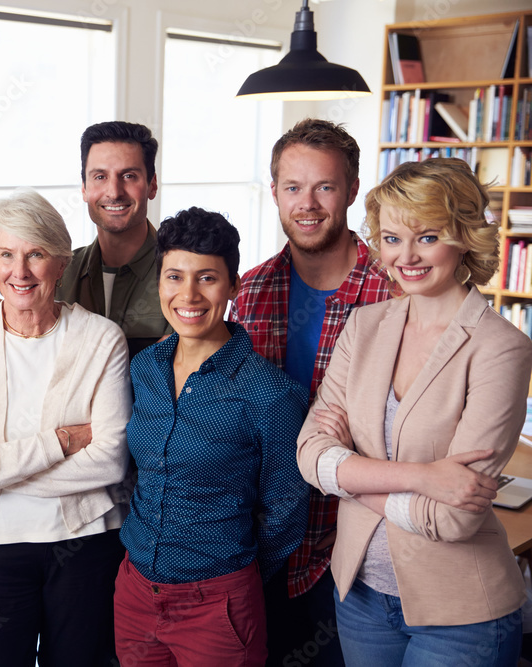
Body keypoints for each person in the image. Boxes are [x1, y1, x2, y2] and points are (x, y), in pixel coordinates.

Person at [297, 158, 531, 666]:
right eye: (392, 237)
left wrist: (349, 476)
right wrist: (424, 477)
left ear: (465, 236)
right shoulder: (363, 325)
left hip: (461, 613)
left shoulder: (500, 348)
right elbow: (310, 455)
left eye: (427, 236)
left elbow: (452, 517)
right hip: (359, 592)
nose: (407, 256)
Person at [0, 189, 131, 667]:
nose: (19, 272)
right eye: (6, 255)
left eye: (35, 254)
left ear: (61, 262)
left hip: (82, 542)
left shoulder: (101, 339)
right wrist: (61, 442)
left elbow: (110, 460)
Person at [116, 207, 309, 665]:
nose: (188, 294)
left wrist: (230, 573)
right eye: (174, 277)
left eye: (206, 278)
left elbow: (286, 510)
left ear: (233, 286)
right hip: (136, 591)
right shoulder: (143, 369)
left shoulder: (271, 393)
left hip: (219, 603)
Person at [231, 118, 390, 665]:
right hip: (262, 545)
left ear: (351, 189)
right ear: (274, 192)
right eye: (293, 187)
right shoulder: (249, 291)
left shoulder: (391, 292)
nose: (309, 204)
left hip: (353, 548)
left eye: (324, 186)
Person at [57, 121, 171, 358]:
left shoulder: (181, 272)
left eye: (129, 176)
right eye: (100, 176)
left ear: (152, 185)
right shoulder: (59, 273)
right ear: (84, 189)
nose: (114, 191)